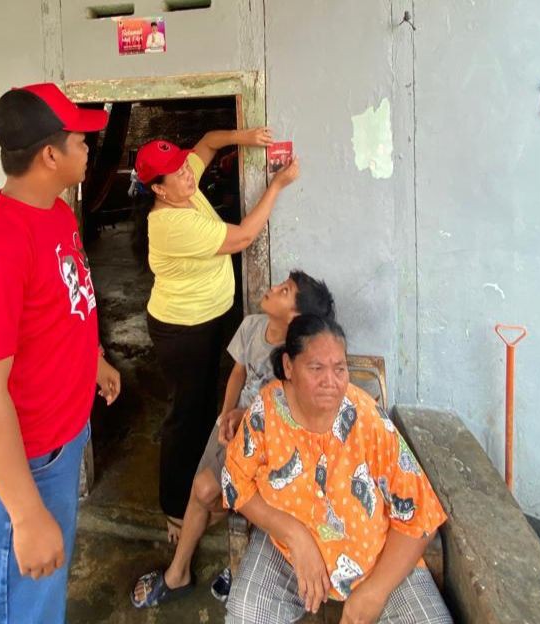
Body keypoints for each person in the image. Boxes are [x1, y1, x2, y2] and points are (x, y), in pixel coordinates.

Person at [0, 83, 121, 624]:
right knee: (21, 609)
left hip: (59, 444)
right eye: (81, 140)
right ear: (51, 155)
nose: (90, 149)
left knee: (43, 595)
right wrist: (25, 514)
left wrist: (92, 359)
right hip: (18, 469)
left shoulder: (56, 214)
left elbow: (66, 301)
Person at [223, 315, 452, 624]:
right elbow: (236, 482)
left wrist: (374, 592)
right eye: (316, 368)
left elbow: (420, 516)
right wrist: (295, 535)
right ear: (289, 367)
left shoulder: (366, 419)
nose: (331, 381)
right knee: (246, 615)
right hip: (286, 551)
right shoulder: (266, 412)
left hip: (373, 555)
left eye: (339, 368)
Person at [131, 270, 335, 608]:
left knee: (223, 494)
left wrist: (247, 420)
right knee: (204, 489)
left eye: (284, 291)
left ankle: (222, 558)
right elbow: (238, 373)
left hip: (265, 438)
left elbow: (288, 407)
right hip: (231, 426)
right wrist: (226, 414)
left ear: (295, 316)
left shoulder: (297, 356)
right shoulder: (253, 326)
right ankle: (178, 572)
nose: (272, 288)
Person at [133, 129, 299, 542]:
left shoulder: (180, 182)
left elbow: (204, 142)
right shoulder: (170, 223)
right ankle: (175, 507)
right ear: (159, 189)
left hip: (205, 320)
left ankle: (197, 490)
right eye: (176, 175)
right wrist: (276, 185)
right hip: (181, 330)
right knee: (185, 415)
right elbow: (243, 237)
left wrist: (245, 135)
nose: (188, 175)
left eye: (182, 166)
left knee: (204, 404)